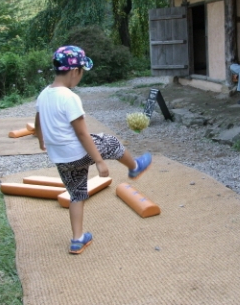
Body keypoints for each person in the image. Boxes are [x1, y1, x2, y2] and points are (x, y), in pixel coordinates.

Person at [34, 45, 152, 255]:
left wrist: (41, 140)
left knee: (77, 194)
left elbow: (37, 122)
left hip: (60, 158)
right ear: (74, 71)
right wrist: (99, 160)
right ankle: (134, 166)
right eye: (81, 73)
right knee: (111, 142)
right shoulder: (69, 97)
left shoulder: (43, 95)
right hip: (77, 152)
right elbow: (82, 134)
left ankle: (77, 240)